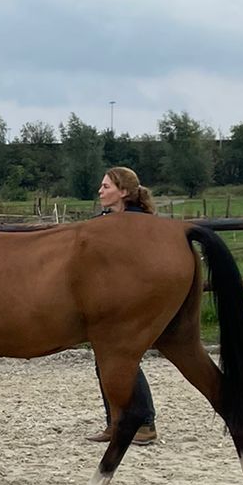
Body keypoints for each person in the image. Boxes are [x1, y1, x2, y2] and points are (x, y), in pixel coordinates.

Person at [87, 166, 157, 445]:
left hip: (133, 302)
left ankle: (146, 423)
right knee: (104, 362)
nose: (100, 191)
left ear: (124, 192)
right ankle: (115, 422)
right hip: (110, 302)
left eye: (106, 187)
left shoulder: (138, 225)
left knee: (124, 361)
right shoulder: (106, 222)